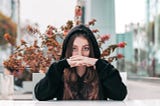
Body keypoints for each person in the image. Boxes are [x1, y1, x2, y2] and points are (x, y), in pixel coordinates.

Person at [34, 24, 127, 100]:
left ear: (92, 50)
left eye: (86, 48)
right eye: (74, 48)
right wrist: (60, 66)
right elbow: (41, 95)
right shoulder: (60, 72)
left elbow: (120, 95)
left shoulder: (101, 70)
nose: (80, 54)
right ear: (68, 50)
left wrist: (98, 63)